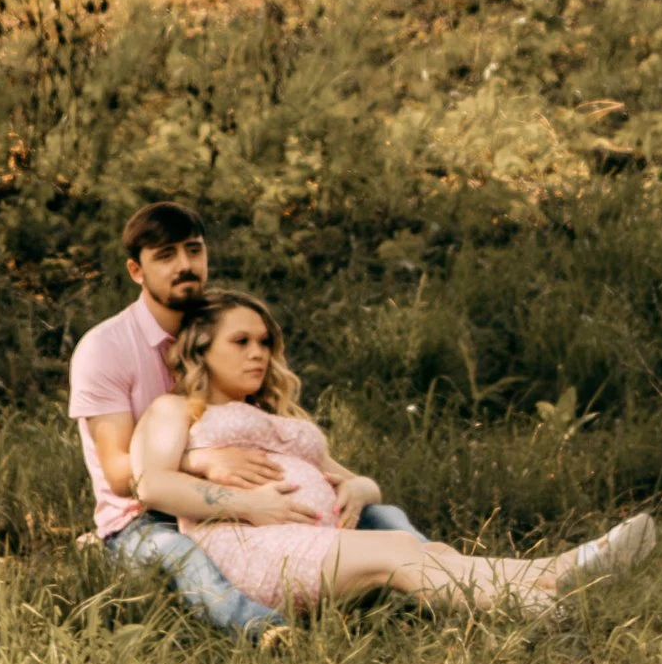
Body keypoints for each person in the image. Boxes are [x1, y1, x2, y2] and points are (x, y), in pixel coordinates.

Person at [134, 285, 659, 617]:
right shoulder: (176, 410)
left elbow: (356, 479)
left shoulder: (278, 416)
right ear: (201, 348)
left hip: (309, 536)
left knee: (426, 554)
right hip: (253, 546)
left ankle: (556, 578)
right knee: (400, 554)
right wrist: (251, 506)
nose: (258, 353)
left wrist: (359, 487)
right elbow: (152, 484)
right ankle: (547, 596)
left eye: (265, 342)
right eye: (241, 341)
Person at [68, 199, 428, 640]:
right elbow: (121, 475)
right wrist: (200, 461)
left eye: (194, 250)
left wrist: (349, 485)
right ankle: (263, 631)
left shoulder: (223, 331)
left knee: (381, 515)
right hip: (145, 517)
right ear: (135, 271)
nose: (185, 265)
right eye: (165, 256)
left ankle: (442, 581)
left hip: (242, 499)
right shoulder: (105, 348)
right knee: (180, 553)